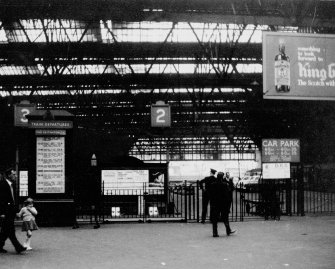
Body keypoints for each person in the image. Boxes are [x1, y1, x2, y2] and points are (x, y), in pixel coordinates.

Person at [0, 168, 27, 254]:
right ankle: (18, 247)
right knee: (10, 230)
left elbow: (13, 199)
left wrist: (16, 210)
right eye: (14, 174)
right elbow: (1, 200)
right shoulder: (3, 185)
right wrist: (1, 213)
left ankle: (0, 246)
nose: (16, 176)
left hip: (11, 211)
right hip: (6, 212)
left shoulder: (12, 184)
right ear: (8, 175)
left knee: (6, 230)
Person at [208, 172, 236, 237]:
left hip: (215, 204)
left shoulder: (213, 184)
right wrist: (227, 204)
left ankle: (215, 233)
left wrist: (212, 203)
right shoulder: (224, 185)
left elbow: (211, 195)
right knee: (225, 218)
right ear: (221, 178)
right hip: (223, 204)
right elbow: (226, 195)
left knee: (215, 219)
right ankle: (228, 231)